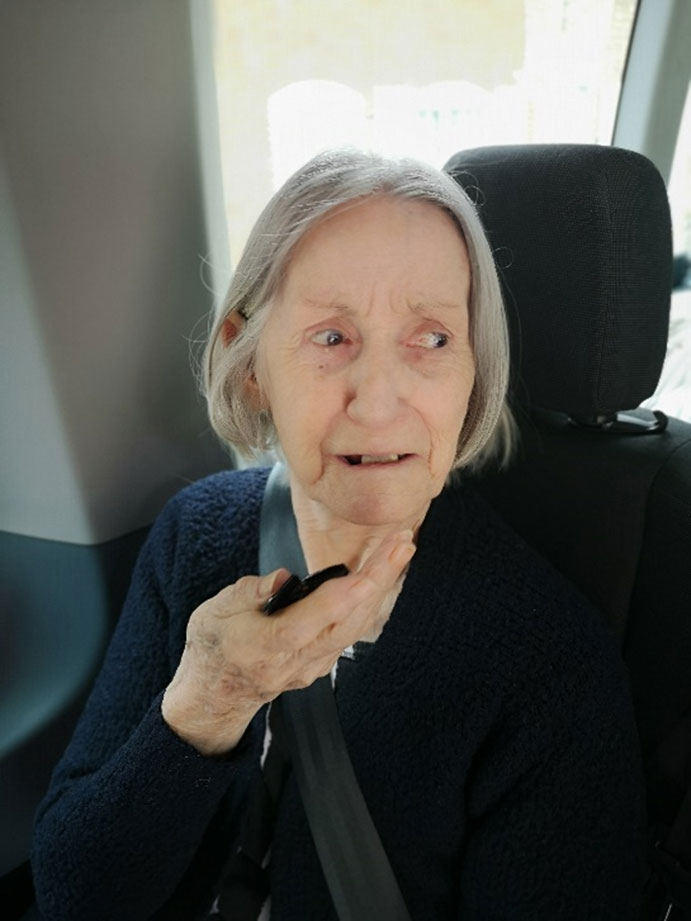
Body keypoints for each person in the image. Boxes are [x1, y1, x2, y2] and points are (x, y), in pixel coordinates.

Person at [31, 149, 645, 920]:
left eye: (431, 339)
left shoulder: (548, 667)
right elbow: (75, 897)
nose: (378, 402)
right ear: (250, 365)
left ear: (474, 372)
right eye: (330, 337)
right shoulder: (196, 535)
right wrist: (210, 700)